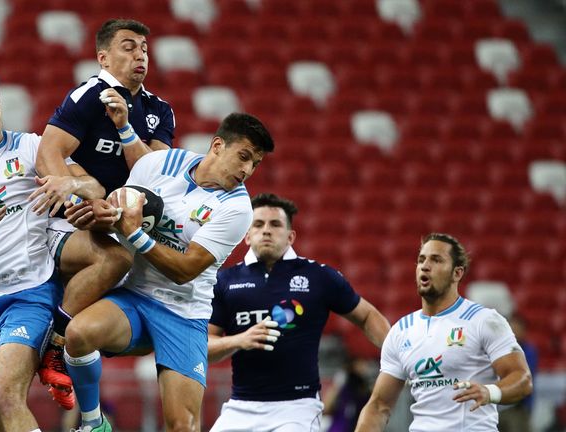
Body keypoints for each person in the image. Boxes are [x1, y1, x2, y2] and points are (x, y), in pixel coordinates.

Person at [0, 70, 124, 430]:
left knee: (5, 394)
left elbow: (93, 185)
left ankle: (58, 345)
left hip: (31, 292)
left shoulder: (30, 147)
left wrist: (70, 183)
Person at [60, 112, 275, 431]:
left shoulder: (237, 209)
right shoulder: (159, 165)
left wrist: (135, 233)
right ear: (217, 145)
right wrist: (101, 212)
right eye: (243, 156)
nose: (247, 169)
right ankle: (93, 423)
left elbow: (185, 270)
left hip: (183, 313)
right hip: (135, 295)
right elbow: (121, 213)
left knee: (182, 425)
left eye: (255, 163)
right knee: (78, 335)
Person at [31, 17, 174, 407]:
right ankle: (55, 346)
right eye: (128, 46)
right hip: (70, 222)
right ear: (103, 57)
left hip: (118, 222)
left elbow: (157, 177)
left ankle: (88, 404)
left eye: (144, 48)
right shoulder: (88, 97)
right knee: (116, 259)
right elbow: (48, 155)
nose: (140, 54)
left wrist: (127, 131)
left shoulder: (158, 110)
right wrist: (80, 199)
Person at [206, 193, 391, 432]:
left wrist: (396, 357)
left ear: (291, 236)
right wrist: (240, 340)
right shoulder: (224, 282)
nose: (266, 231)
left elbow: (367, 316)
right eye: (258, 224)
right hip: (241, 407)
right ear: (247, 235)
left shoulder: (319, 276)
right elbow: (204, 348)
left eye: (275, 224)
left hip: (297, 409)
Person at [355, 233, 533, 432]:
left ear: (457, 273)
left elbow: (522, 378)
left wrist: (490, 391)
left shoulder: (484, 320)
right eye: (421, 260)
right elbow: (379, 406)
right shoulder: (401, 331)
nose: (425, 266)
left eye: (436, 260)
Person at [498, 314, 538, 432]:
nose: (514, 332)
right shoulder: (496, 348)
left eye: (517, 328)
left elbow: (523, 375)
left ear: (523, 331)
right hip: (494, 406)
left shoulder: (529, 351)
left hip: (516, 407)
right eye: (511, 328)